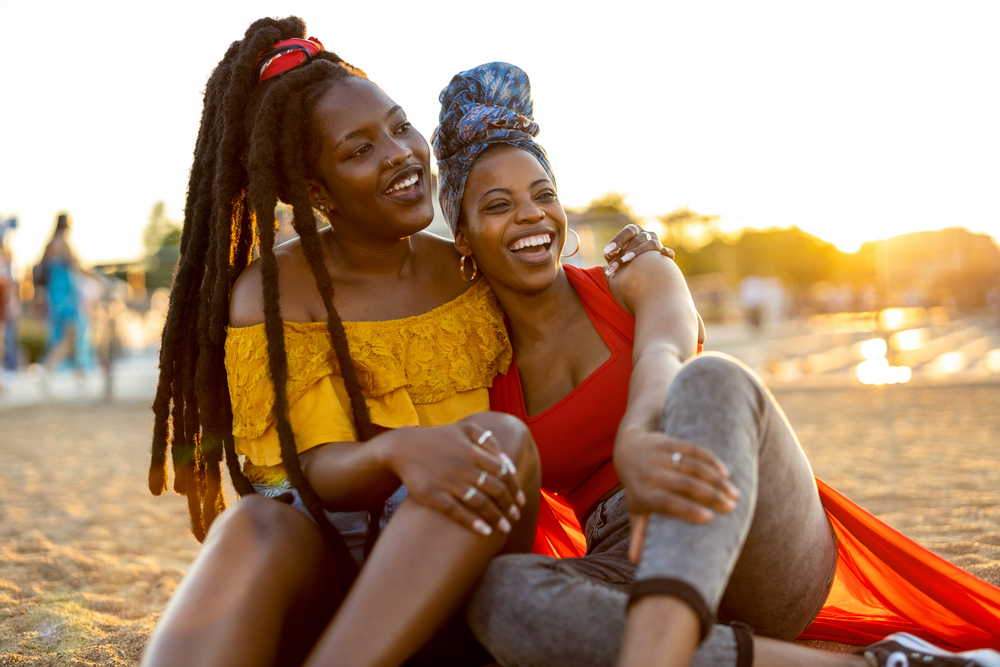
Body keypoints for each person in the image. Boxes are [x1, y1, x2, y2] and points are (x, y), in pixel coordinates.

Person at [431, 62, 1000, 667]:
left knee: (715, 378)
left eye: (544, 195)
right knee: (503, 596)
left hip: (751, 535)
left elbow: (665, 353)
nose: (531, 215)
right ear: (462, 235)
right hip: (626, 563)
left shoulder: (634, 274)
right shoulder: (482, 371)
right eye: (497, 205)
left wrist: (639, 433)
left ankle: (658, 651)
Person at [140, 18, 658, 667]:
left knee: (495, 441)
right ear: (317, 192)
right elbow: (309, 469)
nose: (400, 153)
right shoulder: (274, 296)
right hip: (331, 557)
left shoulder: (469, 266)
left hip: (463, 555)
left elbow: (565, 304)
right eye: (358, 150)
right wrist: (400, 451)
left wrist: (646, 263)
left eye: (399, 125)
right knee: (251, 522)